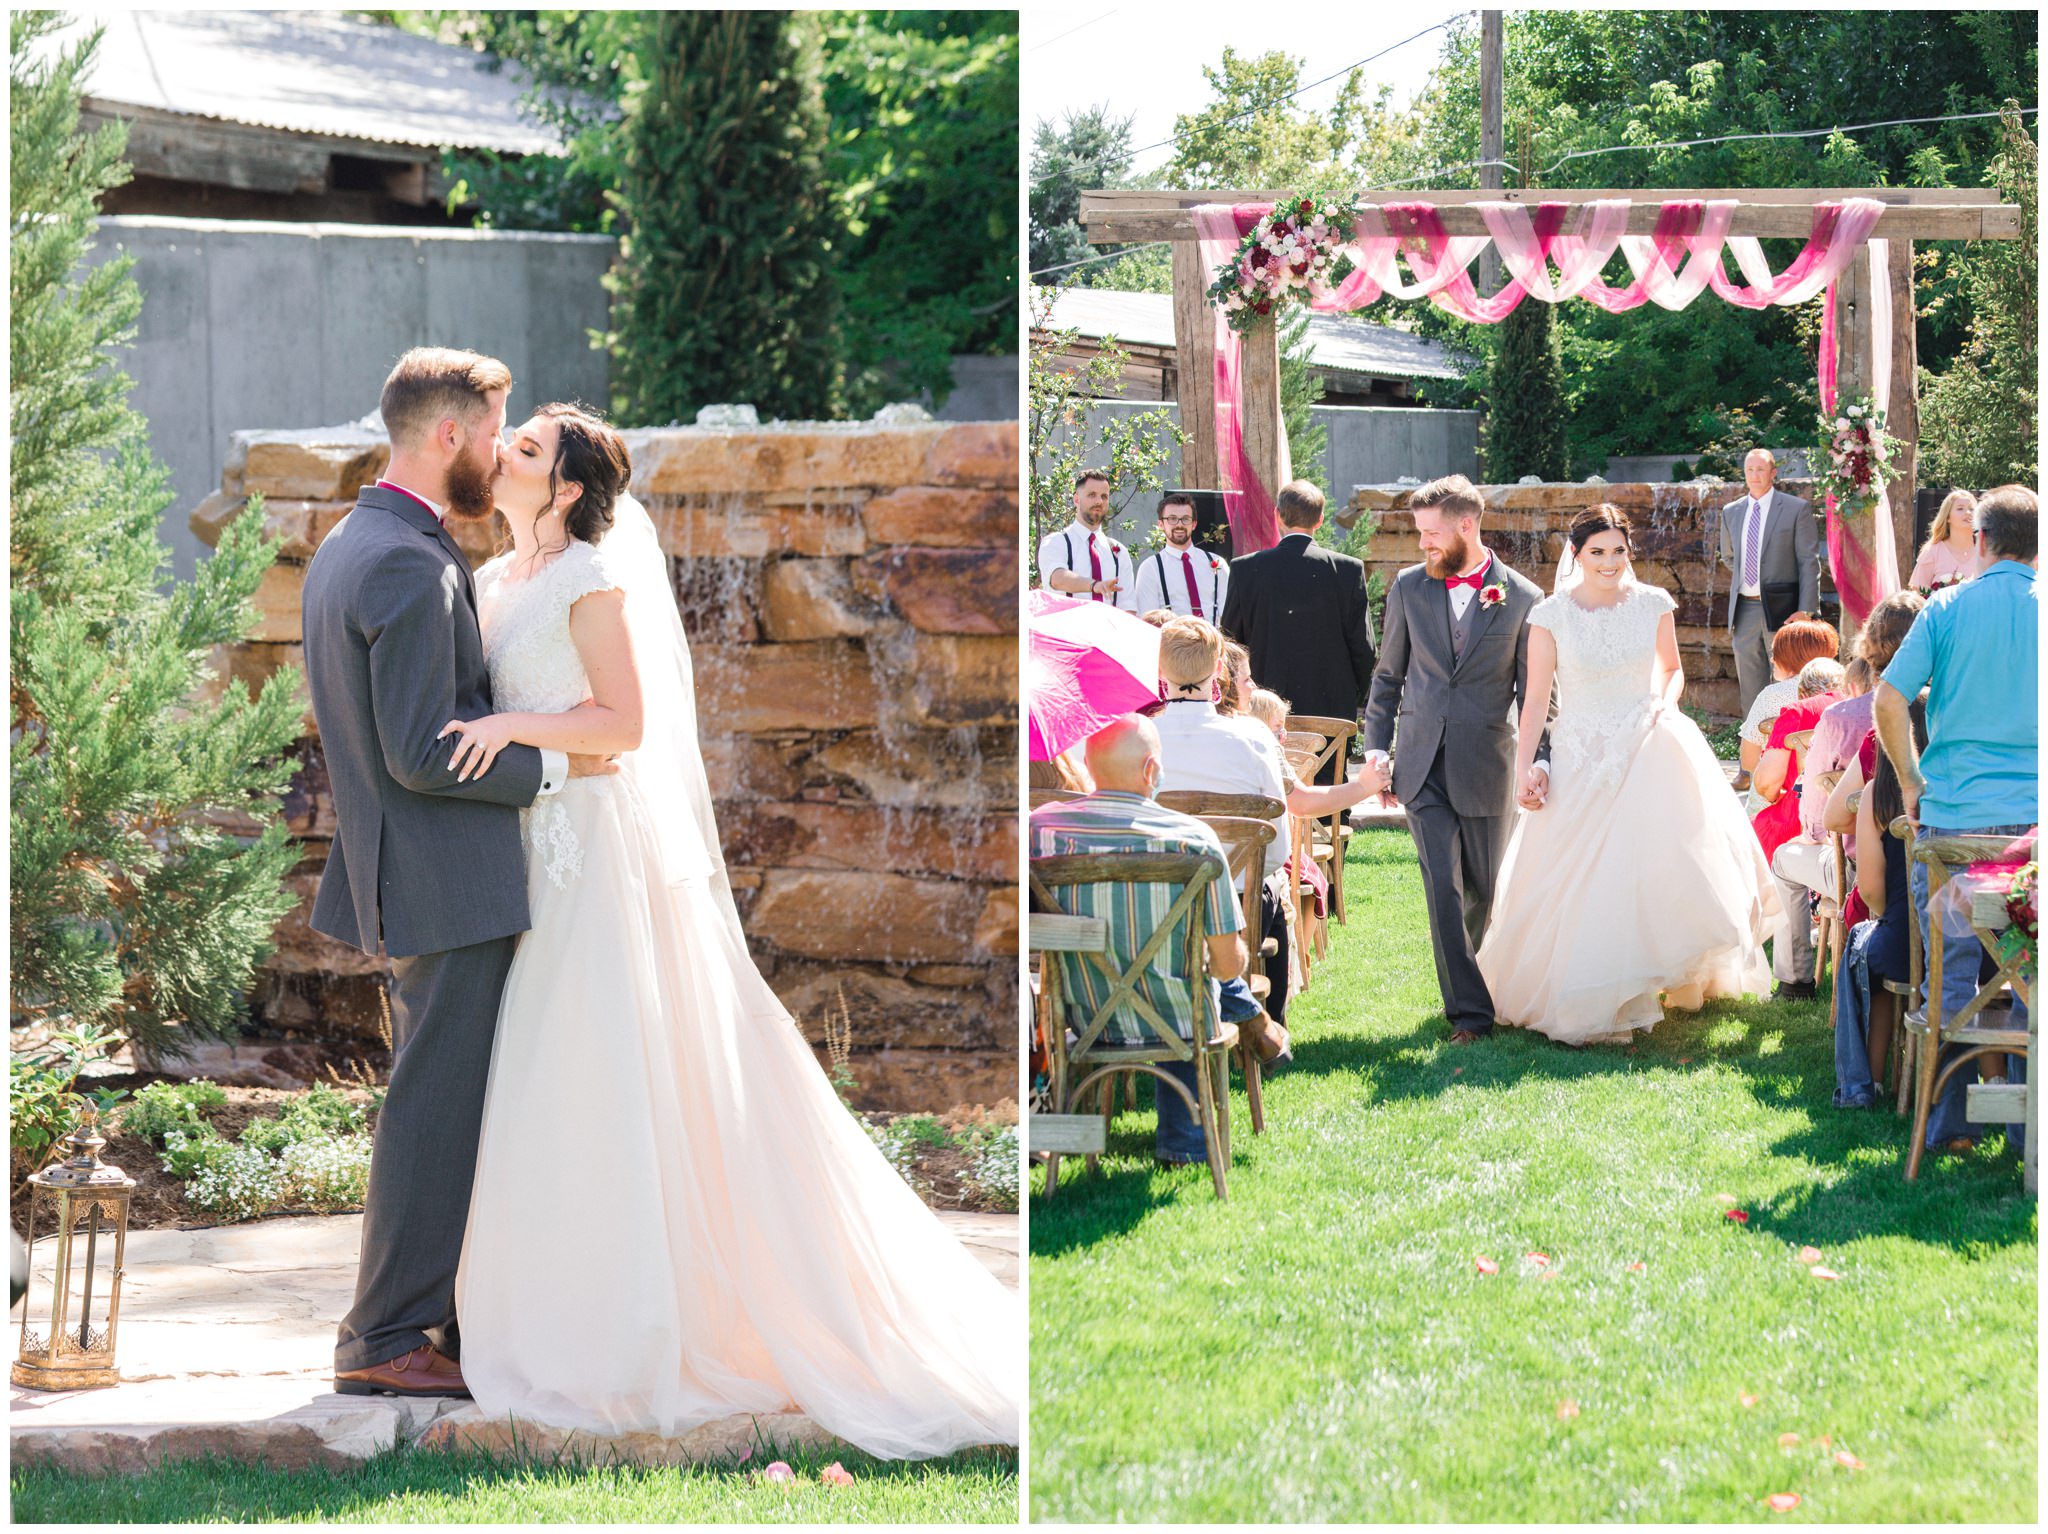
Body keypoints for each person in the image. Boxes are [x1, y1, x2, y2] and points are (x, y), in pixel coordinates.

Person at [416, 403, 1016, 1456]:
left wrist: (510, 724)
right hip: (530, 853)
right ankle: (546, 1307)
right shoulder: (491, 582)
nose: (498, 454)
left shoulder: (588, 579)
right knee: (543, 1075)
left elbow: (627, 725)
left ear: (562, 490)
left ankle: (634, 1331)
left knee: (598, 1065)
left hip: (595, 852)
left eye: (522, 449)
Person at [304, 349, 613, 1405]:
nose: (501, 447)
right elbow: (421, 752)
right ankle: (384, 1334)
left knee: (445, 1101)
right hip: (445, 877)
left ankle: (444, 1318)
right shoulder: (408, 562)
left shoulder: (365, 537)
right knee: (433, 1107)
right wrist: (569, 763)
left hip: (425, 871)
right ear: (449, 438)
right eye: (496, 431)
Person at [1476, 506, 1778, 1045]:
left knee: (1659, 859)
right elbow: (1535, 700)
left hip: (1648, 741)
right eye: (1598, 552)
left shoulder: (1654, 604)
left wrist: (1663, 704)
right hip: (1581, 751)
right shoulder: (1551, 616)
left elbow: (1671, 668)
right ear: (1577, 554)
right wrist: (1526, 768)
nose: (1610, 562)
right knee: (1584, 872)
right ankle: (1591, 990)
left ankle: (1665, 972)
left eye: (1618, 551)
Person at [1874, 482, 2037, 1155]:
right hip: (2035, 836)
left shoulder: (1945, 608)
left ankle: (1951, 1129)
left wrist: (1912, 780)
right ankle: (2031, 1126)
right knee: (2037, 979)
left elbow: (1888, 699)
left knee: (1952, 973)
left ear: (1980, 540)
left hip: (1953, 827)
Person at [1361, 474, 1548, 1043]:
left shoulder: (1524, 598)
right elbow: (1389, 675)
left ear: (1468, 526)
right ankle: (1468, 1013)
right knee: (1441, 883)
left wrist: (1538, 761)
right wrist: (1377, 750)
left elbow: (1537, 694)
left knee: (1486, 890)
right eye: (1420, 533)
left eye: (1433, 533)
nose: (1424, 544)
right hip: (1420, 763)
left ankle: (1489, 985)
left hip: (1489, 763)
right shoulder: (1409, 589)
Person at [1028, 715, 1249, 1166]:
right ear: (1152, 770)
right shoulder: (1194, 841)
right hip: (1180, 1020)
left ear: (1088, 765)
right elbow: (1228, 968)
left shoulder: (1040, 831)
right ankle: (1183, 1147)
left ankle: (1076, 1145)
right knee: (1188, 992)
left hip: (1085, 1019)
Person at [1219, 480, 1376, 784]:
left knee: (1265, 782)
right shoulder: (1347, 570)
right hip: (1330, 704)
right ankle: (1332, 829)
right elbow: (1364, 648)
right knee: (1329, 788)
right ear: (1320, 519)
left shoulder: (1245, 570)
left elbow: (1231, 645)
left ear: (1277, 515)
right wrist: (1350, 695)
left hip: (1262, 704)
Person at [1829, 714, 1921, 1109]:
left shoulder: (1876, 794)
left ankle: (1869, 1081)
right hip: (1963, 952)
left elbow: (1869, 888)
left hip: (1900, 946)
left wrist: (1889, 920)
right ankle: (1996, 1079)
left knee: (1867, 947)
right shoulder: (1956, 792)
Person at [1751, 657, 1846, 997]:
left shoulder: (1797, 711)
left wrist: (1779, 795)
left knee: (1763, 834)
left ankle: (1792, 978)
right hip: (1856, 827)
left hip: (1805, 819)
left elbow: (1765, 782)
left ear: (1804, 689)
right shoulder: (1863, 706)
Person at [1718, 448, 1822, 712]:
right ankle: (1753, 748)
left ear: (1773, 473)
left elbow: (1808, 561)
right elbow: (1730, 558)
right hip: (1745, 610)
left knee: (1790, 684)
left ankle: (1788, 744)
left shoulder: (1796, 509)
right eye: (1749, 470)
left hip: (1785, 610)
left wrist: (1805, 609)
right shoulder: (1731, 512)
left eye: (1760, 469)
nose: (1754, 475)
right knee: (1750, 688)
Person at [1736, 619, 1841, 796]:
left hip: (1780, 794)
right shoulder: (1845, 693)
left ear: (1791, 656)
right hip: (1832, 795)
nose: (1772, 659)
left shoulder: (1772, 695)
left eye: (1776, 652)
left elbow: (1748, 760)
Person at [1038, 470, 1138, 611]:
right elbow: (1057, 579)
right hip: (1065, 631)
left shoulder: (1119, 551)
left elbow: (1128, 606)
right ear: (1076, 500)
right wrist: (1094, 585)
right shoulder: (1055, 542)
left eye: (1104, 496)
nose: (1099, 501)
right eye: (1092, 495)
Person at [1133, 493, 1230, 619]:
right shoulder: (1150, 568)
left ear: (1194, 524)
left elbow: (1228, 614)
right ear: (1161, 524)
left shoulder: (1217, 563)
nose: (1179, 524)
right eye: (1172, 519)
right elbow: (1148, 621)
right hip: (1172, 638)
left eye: (1185, 519)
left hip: (1213, 637)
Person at [1907, 488, 1979, 593]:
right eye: (1960, 509)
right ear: (1947, 517)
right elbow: (1918, 593)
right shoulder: (1932, 552)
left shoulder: (1986, 552)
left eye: (1972, 509)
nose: (1968, 512)